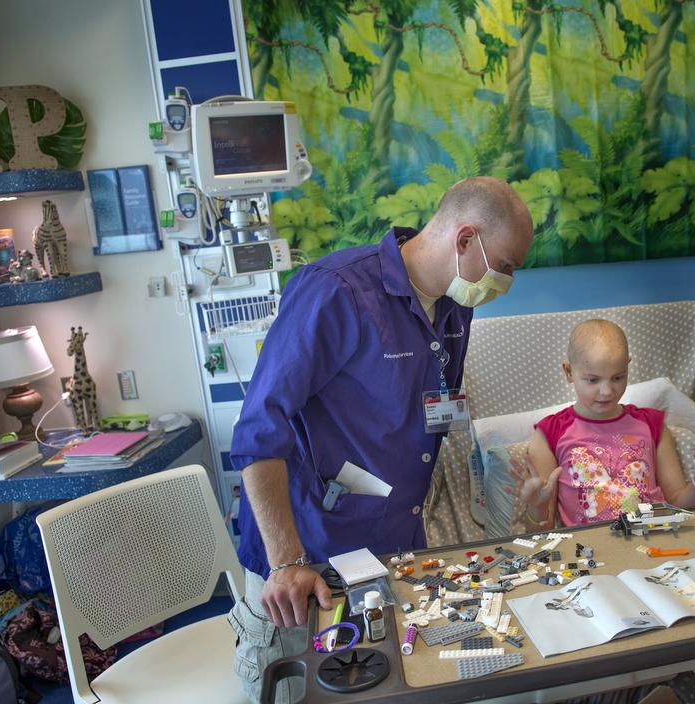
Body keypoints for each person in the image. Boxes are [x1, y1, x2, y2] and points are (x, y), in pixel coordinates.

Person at [228, 176, 533, 704]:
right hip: (306, 559)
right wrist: (285, 561)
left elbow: (428, 416)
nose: (505, 280)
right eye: (504, 265)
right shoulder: (337, 292)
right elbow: (258, 432)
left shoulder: (457, 305)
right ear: (465, 241)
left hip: (388, 549)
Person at [504, 319, 695, 528]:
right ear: (569, 372)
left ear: (628, 367)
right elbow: (541, 531)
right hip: (593, 555)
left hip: (657, 544)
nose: (607, 391)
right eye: (593, 380)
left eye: (618, 377)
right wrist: (538, 507)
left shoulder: (651, 424)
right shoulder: (550, 433)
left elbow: (679, 505)